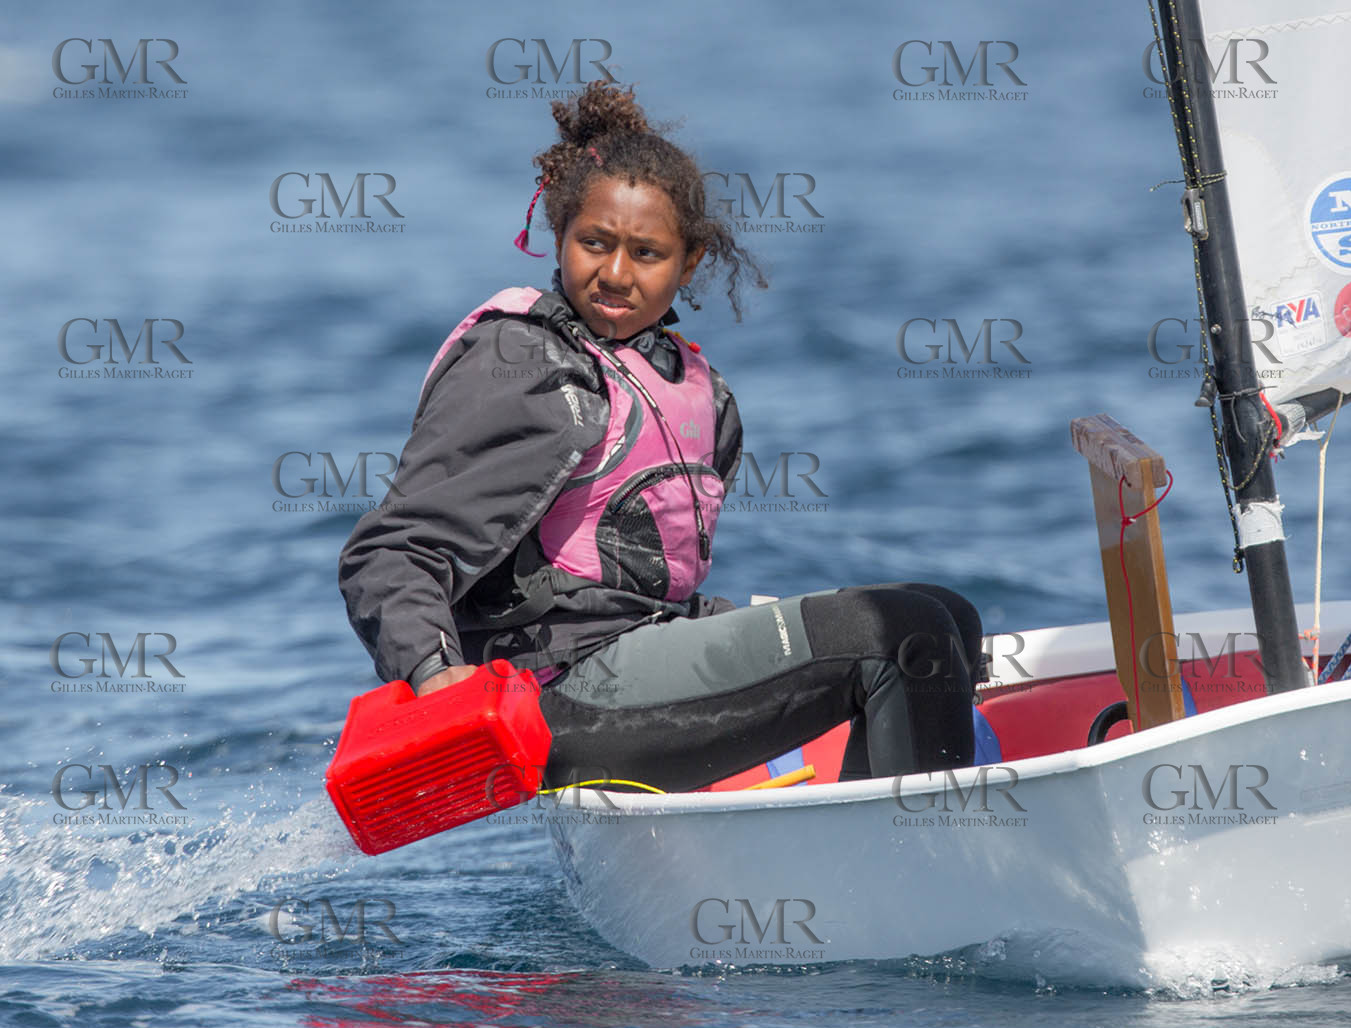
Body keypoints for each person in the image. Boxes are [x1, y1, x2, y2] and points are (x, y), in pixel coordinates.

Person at [339, 82, 982, 792]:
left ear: (692, 261)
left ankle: (878, 838)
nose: (615, 273)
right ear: (560, 234)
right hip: (564, 695)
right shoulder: (525, 366)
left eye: (645, 253)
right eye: (595, 243)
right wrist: (432, 672)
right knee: (900, 635)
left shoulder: (699, 390)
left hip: (640, 659)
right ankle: (919, 868)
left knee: (949, 616)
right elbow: (392, 551)